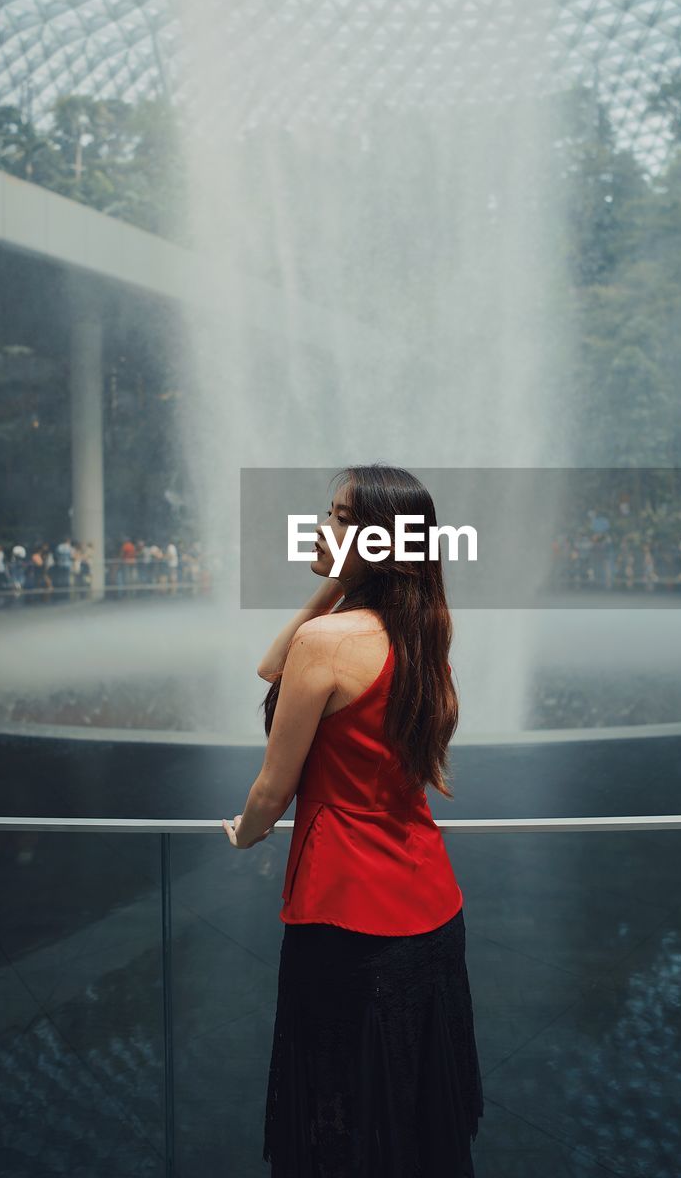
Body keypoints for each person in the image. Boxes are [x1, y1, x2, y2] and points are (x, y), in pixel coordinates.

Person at [223, 464, 483, 1176]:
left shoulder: (329, 644)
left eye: (336, 517)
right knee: (414, 1113)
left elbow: (273, 791)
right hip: (430, 908)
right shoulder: (424, 633)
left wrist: (243, 832)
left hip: (345, 918)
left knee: (338, 1119)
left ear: (373, 540)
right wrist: (344, 574)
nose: (318, 526)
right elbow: (271, 664)